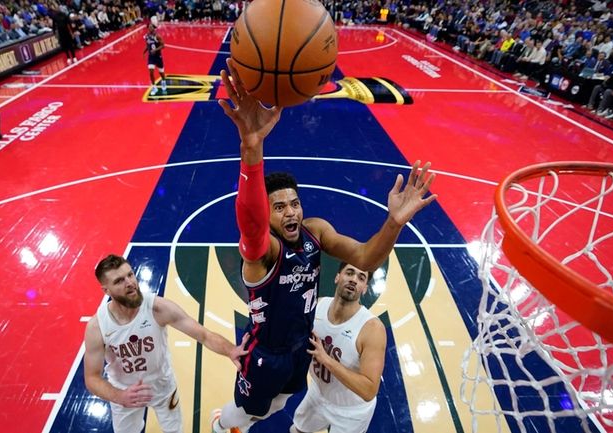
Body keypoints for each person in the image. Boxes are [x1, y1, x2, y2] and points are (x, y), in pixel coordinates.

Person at [210, 58, 436, 433]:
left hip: (301, 346)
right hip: (265, 352)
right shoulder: (264, 252)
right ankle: (223, 426)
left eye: (294, 203)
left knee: (282, 401)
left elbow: (366, 257)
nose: (290, 212)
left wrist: (394, 223)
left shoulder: (315, 231)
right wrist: (251, 149)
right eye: (278, 207)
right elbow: (249, 223)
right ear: (267, 215)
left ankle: (254, 412)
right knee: (246, 413)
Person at [84, 254, 249, 433]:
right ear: (106, 290)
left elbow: (204, 335)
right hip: (124, 391)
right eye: (119, 281)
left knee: (173, 430)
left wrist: (231, 350)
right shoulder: (97, 326)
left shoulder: (158, 308)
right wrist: (120, 396)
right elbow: (92, 377)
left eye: (130, 275)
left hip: (162, 385)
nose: (130, 283)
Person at [290, 262, 386, 433]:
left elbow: (369, 390)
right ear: (337, 277)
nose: (354, 280)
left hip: (351, 412)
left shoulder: (372, 329)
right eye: (349, 272)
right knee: (298, 430)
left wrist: (326, 360)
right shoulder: (317, 306)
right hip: (318, 394)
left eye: (361, 277)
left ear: (364, 288)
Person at [144, 24, 166, 94]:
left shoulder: (157, 36)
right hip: (151, 57)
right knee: (151, 72)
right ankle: (154, 87)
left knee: (161, 73)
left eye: (151, 27)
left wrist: (155, 50)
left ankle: (163, 81)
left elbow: (163, 45)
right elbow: (148, 45)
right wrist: (144, 51)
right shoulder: (147, 36)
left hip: (158, 56)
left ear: (154, 28)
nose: (150, 28)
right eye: (149, 27)